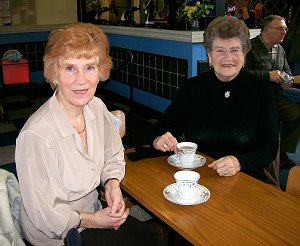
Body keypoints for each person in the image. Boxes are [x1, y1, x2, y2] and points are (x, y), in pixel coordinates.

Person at [15, 23, 162, 246]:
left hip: (92, 210)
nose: (81, 80)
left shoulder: (96, 107)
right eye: (70, 68)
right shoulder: (37, 135)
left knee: (149, 238)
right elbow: (48, 217)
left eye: (89, 68)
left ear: (100, 71)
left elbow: (113, 154)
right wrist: (94, 220)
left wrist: (112, 183)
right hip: (57, 233)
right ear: (54, 74)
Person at [152, 16, 279, 183]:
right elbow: (163, 127)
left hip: (245, 176)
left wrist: (240, 162)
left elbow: (269, 148)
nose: (227, 57)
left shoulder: (261, 90)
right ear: (209, 55)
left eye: (234, 50)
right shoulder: (193, 87)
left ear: (244, 54)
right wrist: (159, 139)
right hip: (197, 175)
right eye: (220, 50)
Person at [245, 15, 300, 166]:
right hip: (254, 98)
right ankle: (264, 154)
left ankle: (281, 151)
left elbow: (287, 70)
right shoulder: (249, 47)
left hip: (276, 96)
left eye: (285, 29)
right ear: (267, 29)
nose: (284, 32)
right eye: (281, 29)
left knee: (295, 114)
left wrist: (287, 81)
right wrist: (267, 75)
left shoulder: (280, 49)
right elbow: (242, 75)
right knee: (269, 122)